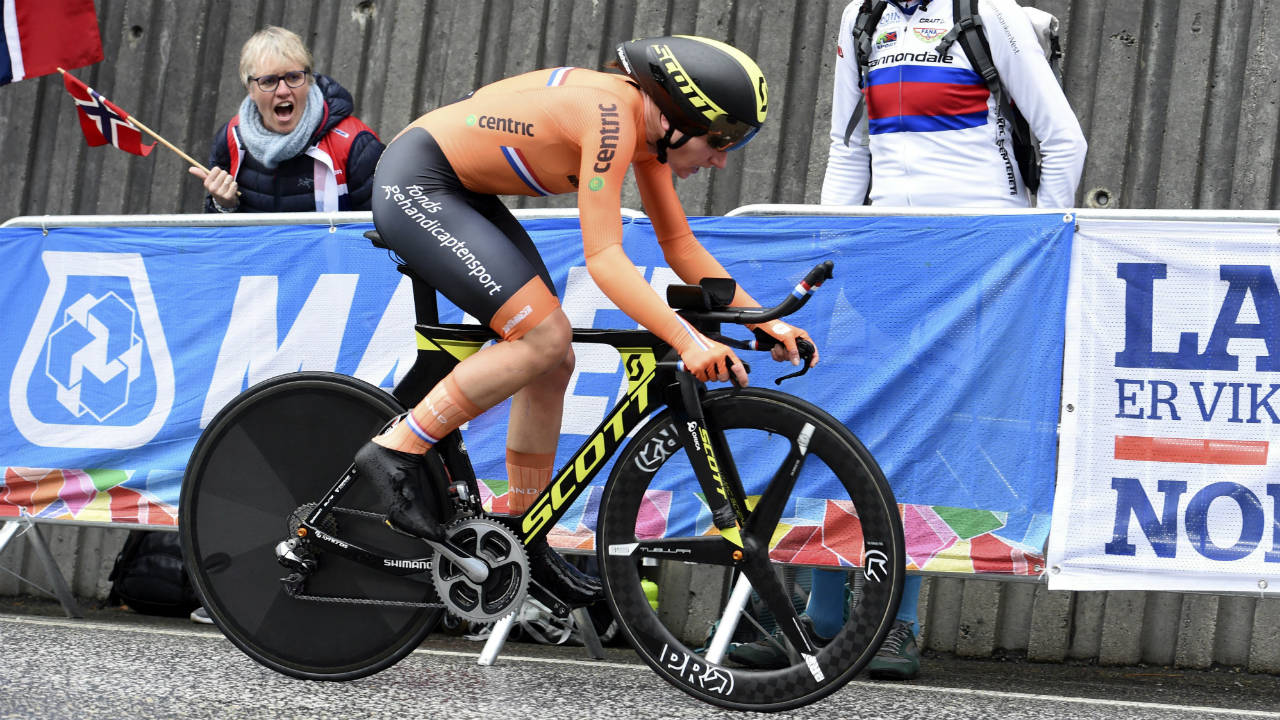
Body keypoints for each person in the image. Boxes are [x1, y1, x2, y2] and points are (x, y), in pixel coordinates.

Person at [351, 35, 816, 608]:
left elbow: (679, 244)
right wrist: (686, 339)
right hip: (417, 183)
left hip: (459, 190)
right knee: (544, 335)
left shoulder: (648, 133)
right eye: (718, 139)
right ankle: (396, 448)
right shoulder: (612, 118)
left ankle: (523, 535)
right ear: (677, 116)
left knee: (554, 358)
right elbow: (605, 260)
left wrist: (761, 320)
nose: (721, 158)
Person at [730, 0, 1086, 678]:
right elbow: (849, 148)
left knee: (923, 433)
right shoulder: (860, 15)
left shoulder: (989, 13)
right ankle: (823, 618)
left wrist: (1037, 255)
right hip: (883, 253)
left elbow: (1063, 139)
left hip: (977, 257)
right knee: (843, 423)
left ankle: (896, 623)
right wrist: (834, 252)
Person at [188, 26, 383, 213]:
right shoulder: (231, 139)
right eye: (268, 81)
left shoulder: (355, 145)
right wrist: (223, 205)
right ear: (251, 90)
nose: (283, 91)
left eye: (293, 77)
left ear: (309, 80)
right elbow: (219, 235)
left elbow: (377, 234)